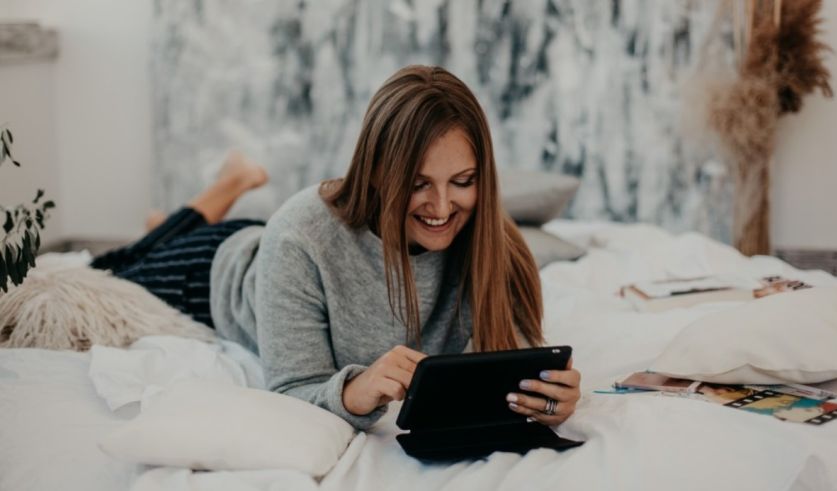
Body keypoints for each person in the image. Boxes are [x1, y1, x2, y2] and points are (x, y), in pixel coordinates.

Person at [92, 65, 581, 430]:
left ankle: (180, 214)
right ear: (377, 173)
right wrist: (356, 390)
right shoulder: (300, 235)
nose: (441, 206)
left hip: (266, 252)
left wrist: (551, 397)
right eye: (417, 184)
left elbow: (516, 358)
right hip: (214, 270)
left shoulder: (496, 242)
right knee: (111, 266)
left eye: (463, 181)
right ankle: (223, 188)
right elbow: (289, 388)